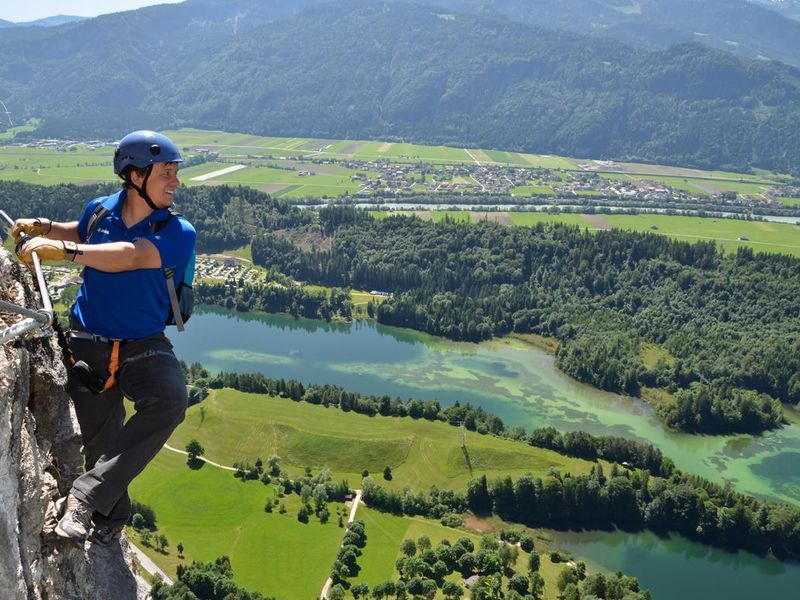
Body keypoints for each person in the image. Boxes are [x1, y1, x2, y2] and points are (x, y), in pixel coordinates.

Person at [13, 130, 196, 545]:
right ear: (136, 176)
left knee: (170, 399)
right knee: (102, 447)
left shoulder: (178, 231)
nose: (176, 181)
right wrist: (45, 227)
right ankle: (111, 522)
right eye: (167, 172)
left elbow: (131, 256)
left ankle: (82, 499)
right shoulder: (99, 211)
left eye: (175, 173)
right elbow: (82, 231)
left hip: (143, 343)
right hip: (88, 342)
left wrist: (63, 251)